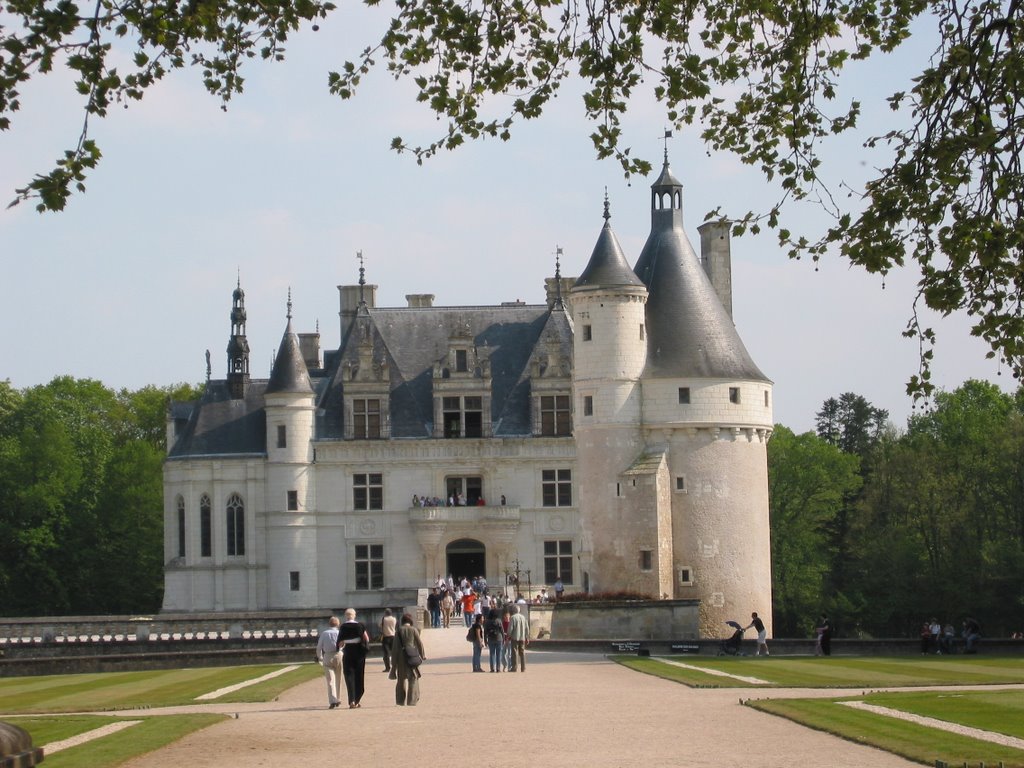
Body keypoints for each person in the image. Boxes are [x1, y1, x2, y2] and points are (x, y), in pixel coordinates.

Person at [337, 608, 370, 708]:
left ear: (346, 616)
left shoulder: (343, 627)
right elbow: (366, 639)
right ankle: (357, 699)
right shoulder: (360, 625)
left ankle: (351, 699)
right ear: (354, 615)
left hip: (348, 652)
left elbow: (340, 642)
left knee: (349, 676)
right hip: (359, 652)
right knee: (359, 676)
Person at [391, 612, 425, 706]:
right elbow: (419, 643)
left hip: (401, 657)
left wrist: (393, 662)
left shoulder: (398, 631)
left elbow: (395, 648)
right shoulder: (414, 630)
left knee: (401, 680)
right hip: (411, 656)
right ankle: (411, 701)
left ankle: (400, 701)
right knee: (413, 678)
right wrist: (422, 655)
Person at [316, 616, 342, 709]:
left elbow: (319, 647)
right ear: (338, 624)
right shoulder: (340, 633)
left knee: (330, 680)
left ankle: (332, 700)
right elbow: (343, 644)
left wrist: (320, 657)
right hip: (338, 654)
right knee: (339, 678)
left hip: (327, 655)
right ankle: (338, 698)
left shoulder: (324, 633)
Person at [507, 604, 530, 672]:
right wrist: (527, 637)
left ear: (513, 610)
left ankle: (514, 667)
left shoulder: (513, 617)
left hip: (515, 637)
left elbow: (510, 628)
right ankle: (523, 668)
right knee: (522, 653)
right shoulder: (523, 617)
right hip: (522, 637)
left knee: (514, 653)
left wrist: (508, 635)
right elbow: (527, 628)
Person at [380, 608, 397, 672]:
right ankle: (395, 666)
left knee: (386, 654)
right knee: (394, 653)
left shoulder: (384, 619)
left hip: (386, 637)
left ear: (385, 613)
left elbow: (380, 626)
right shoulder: (394, 619)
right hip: (393, 636)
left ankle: (387, 667)